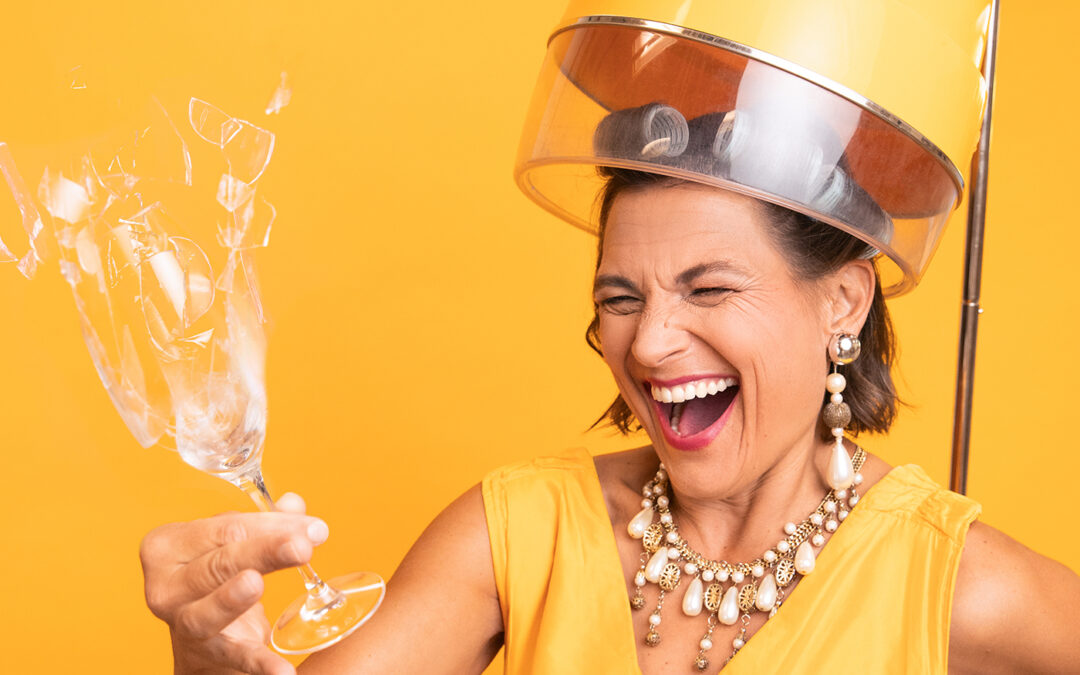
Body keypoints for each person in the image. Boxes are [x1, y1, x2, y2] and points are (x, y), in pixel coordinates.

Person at [139, 4, 1080, 674]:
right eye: (621, 297)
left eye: (709, 287)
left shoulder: (953, 583)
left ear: (843, 299)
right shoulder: (518, 532)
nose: (652, 342)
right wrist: (208, 657)